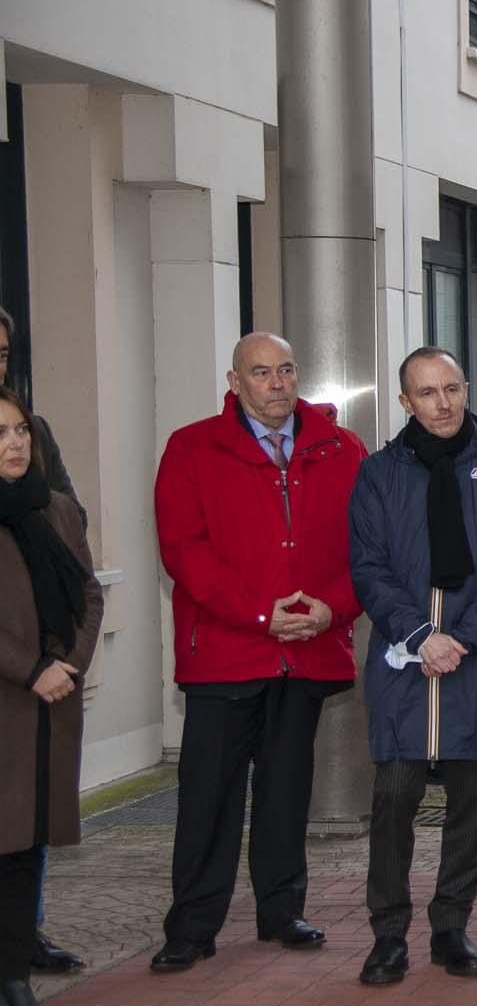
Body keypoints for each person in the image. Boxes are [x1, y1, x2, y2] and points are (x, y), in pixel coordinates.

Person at [149, 333, 368, 971]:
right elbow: (184, 550)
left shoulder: (341, 447)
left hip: (305, 652)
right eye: (262, 372)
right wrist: (259, 615)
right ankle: (192, 928)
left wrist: (334, 607)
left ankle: (282, 910)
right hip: (225, 652)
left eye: (286, 370)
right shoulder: (191, 448)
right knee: (208, 797)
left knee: (286, 791)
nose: (277, 383)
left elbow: (371, 545)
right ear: (236, 381)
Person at [349, 347, 477, 986]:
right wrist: (421, 635)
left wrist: (463, 639)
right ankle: (389, 933)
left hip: (474, 661)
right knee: (395, 794)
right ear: (405, 402)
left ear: (467, 387)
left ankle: (452, 925)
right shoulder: (379, 475)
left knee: (470, 798)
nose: (443, 403)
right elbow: (368, 566)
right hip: (406, 660)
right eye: (427, 393)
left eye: (452, 388)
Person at [0, 387, 104, 1006]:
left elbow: (89, 594)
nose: (13, 443)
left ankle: (15, 982)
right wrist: (30, 669)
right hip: (9, 701)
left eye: (18, 431)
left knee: (27, 849)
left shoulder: (57, 509)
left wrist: (71, 662)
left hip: (50, 709)